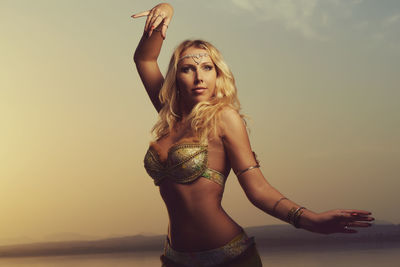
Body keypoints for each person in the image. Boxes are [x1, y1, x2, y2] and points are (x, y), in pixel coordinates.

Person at [131, 3, 374, 267]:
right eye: (188, 68)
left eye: (208, 68)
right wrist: (166, 10)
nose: (199, 77)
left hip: (229, 257)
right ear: (176, 77)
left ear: (218, 75)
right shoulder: (169, 115)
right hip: (174, 259)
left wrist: (310, 220)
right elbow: (144, 59)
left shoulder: (224, 118)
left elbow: (257, 189)